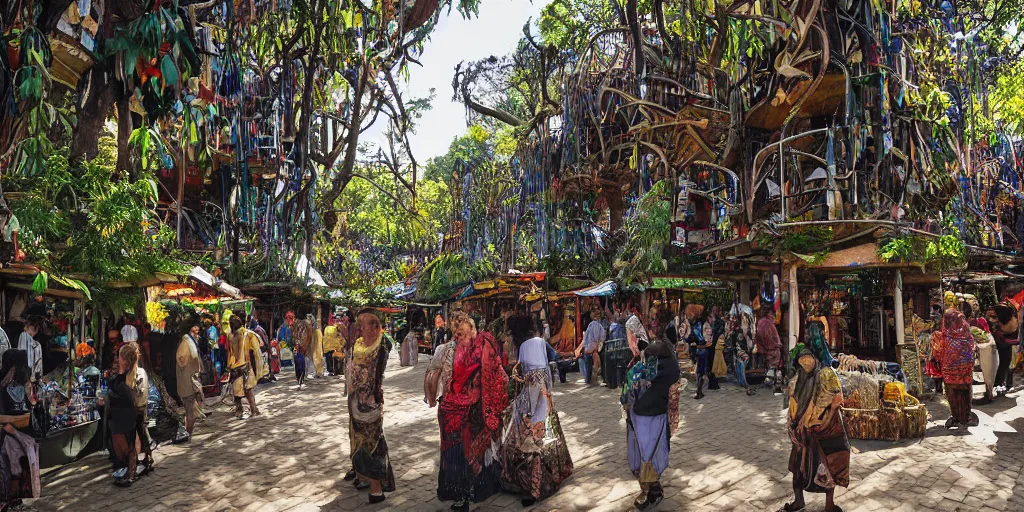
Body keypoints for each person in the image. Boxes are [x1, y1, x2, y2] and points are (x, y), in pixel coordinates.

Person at [437, 312, 509, 512]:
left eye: (463, 332)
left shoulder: (483, 345)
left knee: (477, 448)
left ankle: (478, 488)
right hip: (457, 405)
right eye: (457, 333)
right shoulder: (454, 350)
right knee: (459, 450)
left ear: (472, 328)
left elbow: (494, 371)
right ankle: (462, 492)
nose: (461, 336)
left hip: (478, 406)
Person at [501, 313, 573, 506]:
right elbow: (545, 370)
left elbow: (526, 374)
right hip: (543, 392)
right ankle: (545, 479)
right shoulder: (540, 342)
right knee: (545, 435)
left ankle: (533, 487)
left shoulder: (523, 346)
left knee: (528, 440)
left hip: (533, 393)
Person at [782, 346, 850, 512]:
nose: (805, 361)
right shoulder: (797, 379)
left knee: (831, 466)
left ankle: (829, 505)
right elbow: (793, 404)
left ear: (815, 358)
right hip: (802, 432)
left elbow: (836, 397)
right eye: (802, 359)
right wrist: (795, 425)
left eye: (808, 357)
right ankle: (799, 501)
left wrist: (831, 411)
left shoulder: (826, 375)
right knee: (798, 467)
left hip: (825, 429)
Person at [621, 324, 679, 511]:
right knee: (648, 452)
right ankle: (652, 489)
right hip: (648, 413)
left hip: (647, 414)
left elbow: (628, 390)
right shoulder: (668, 362)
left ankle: (652, 491)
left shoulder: (649, 363)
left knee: (646, 453)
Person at [347, 311, 396, 504]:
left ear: (375, 327)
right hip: (354, 403)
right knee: (357, 441)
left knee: (374, 443)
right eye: (360, 324)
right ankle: (362, 476)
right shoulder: (356, 346)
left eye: (364, 324)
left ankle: (376, 488)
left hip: (371, 403)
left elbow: (376, 376)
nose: (360, 328)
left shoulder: (382, 345)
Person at [932, 308, 978, 428]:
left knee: (953, 395)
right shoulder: (966, 332)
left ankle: (957, 417)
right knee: (965, 393)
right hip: (964, 371)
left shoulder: (942, 336)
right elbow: (972, 348)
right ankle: (966, 417)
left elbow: (937, 353)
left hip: (949, 372)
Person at [105, 342, 143, 487]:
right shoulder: (122, 376)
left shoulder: (130, 378)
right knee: (124, 447)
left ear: (124, 359)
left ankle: (129, 474)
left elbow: (129, 398)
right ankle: (125, 472)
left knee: (127, 447)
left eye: (119, 356)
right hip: (118, 416)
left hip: (124, 417)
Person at [227, 315, 263, 419]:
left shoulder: (231, 335)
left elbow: (230, 353)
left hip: (235, 367)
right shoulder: (246, 334)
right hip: (245, 365)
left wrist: (228, 367)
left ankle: (240, 410)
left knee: (237, 393)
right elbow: (259, 346)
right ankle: (253, 409)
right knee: (248, 390)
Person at [175, 323, 204, 442]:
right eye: (194, 328)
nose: (197, 331)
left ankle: (188, 434)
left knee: (190, 410)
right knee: (190, 410)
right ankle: (188, 434)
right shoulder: (186, 344)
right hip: (188, 381)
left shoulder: (188, 343)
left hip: (190, 382)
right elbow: (181, 359)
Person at [991, 301, 1019, 396]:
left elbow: (1004, 332)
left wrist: (997, 333)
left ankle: (1000, 384)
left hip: (1007, 344)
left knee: (1004, 364)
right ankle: (1004, 384)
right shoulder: (1011, 318)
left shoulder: (1010, 322)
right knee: (1006, 364)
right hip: (1008, 344)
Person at [754, 306, 783, 392]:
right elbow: (774, 336)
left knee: (770, 364)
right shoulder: (768, 323)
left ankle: (770, 379)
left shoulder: (761, 322)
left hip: (765, 348)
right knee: (773, 364)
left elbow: (758, 335)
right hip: (772, 347)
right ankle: (771, 379)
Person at [576, 308, 606, 386]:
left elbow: (587, 338)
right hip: (593, 346)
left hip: (590, 346)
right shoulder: (596, 324)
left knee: (590, 365)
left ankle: (589, 380)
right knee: (594, 365)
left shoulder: (593, 324)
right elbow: (599, 337)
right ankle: (592, 380)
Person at [549, 307, 577, 384]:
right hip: (564, 353)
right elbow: (558, 337)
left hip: (567, 353)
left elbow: (557, 338)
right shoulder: (567, 327)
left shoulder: (570, 327)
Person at [292, 313, 311, 389]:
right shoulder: (306, 324)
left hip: (297, 347)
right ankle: (301, 379)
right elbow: (308, 336)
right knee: (301, 363)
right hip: (302, 347)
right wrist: (305, 346)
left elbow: (293, 336)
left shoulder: (295, 324)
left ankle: (299, 378)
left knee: (297, 363)